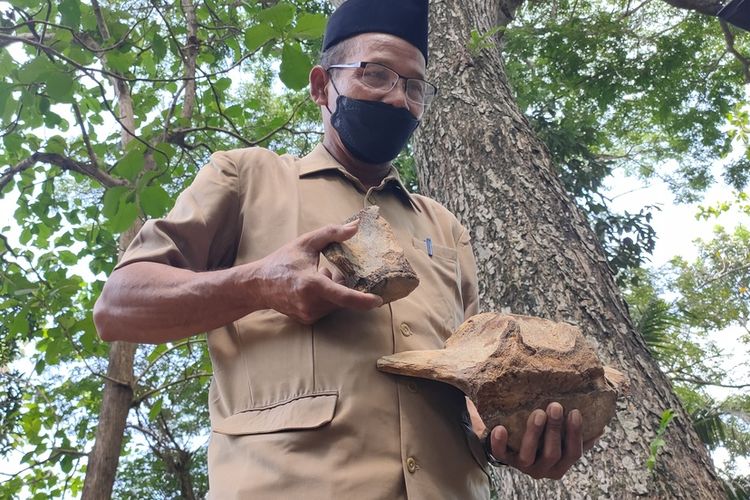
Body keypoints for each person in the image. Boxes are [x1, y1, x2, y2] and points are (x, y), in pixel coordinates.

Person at [94, 0, 595, 497]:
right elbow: (119, 306)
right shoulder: (246, 177)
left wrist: (511, 439)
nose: (398, 99)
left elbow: (469, 387)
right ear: (321, 86)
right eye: (376, 75)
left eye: (415, 87)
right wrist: (259, 284)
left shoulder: (444, 227)